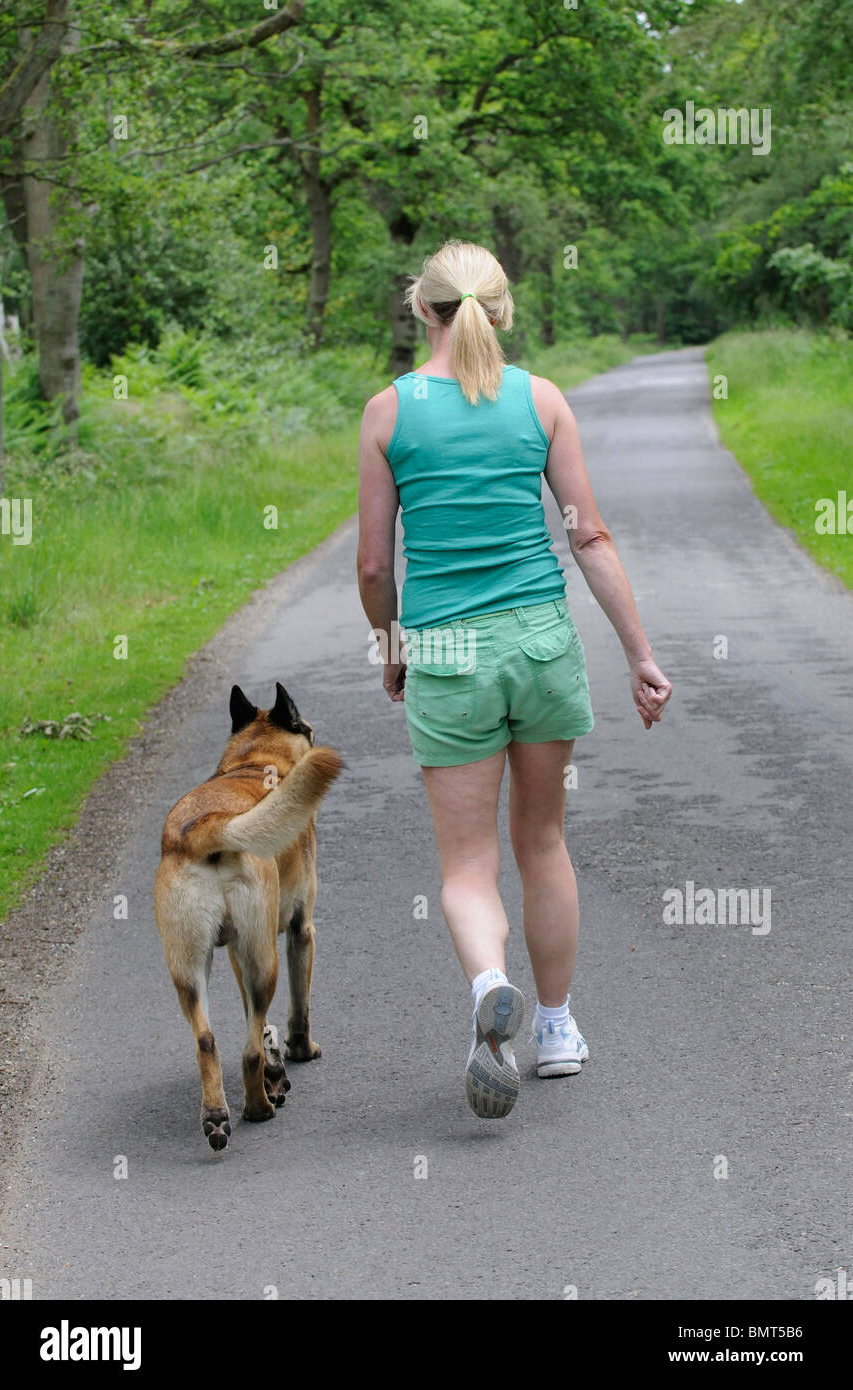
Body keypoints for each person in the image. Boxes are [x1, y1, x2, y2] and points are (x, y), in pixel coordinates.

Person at [356, 240, 672, 1120]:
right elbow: (589, 538)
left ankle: (490, 982)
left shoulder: (388, 413)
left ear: (421, 310)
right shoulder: (540, 401)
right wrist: (639, 655)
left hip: (447, 653)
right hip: (538, 642)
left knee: (466, 863)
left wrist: (390, 647)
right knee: (543, 843)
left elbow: (375, 565)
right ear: (500, 309)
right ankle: (559, 1028)